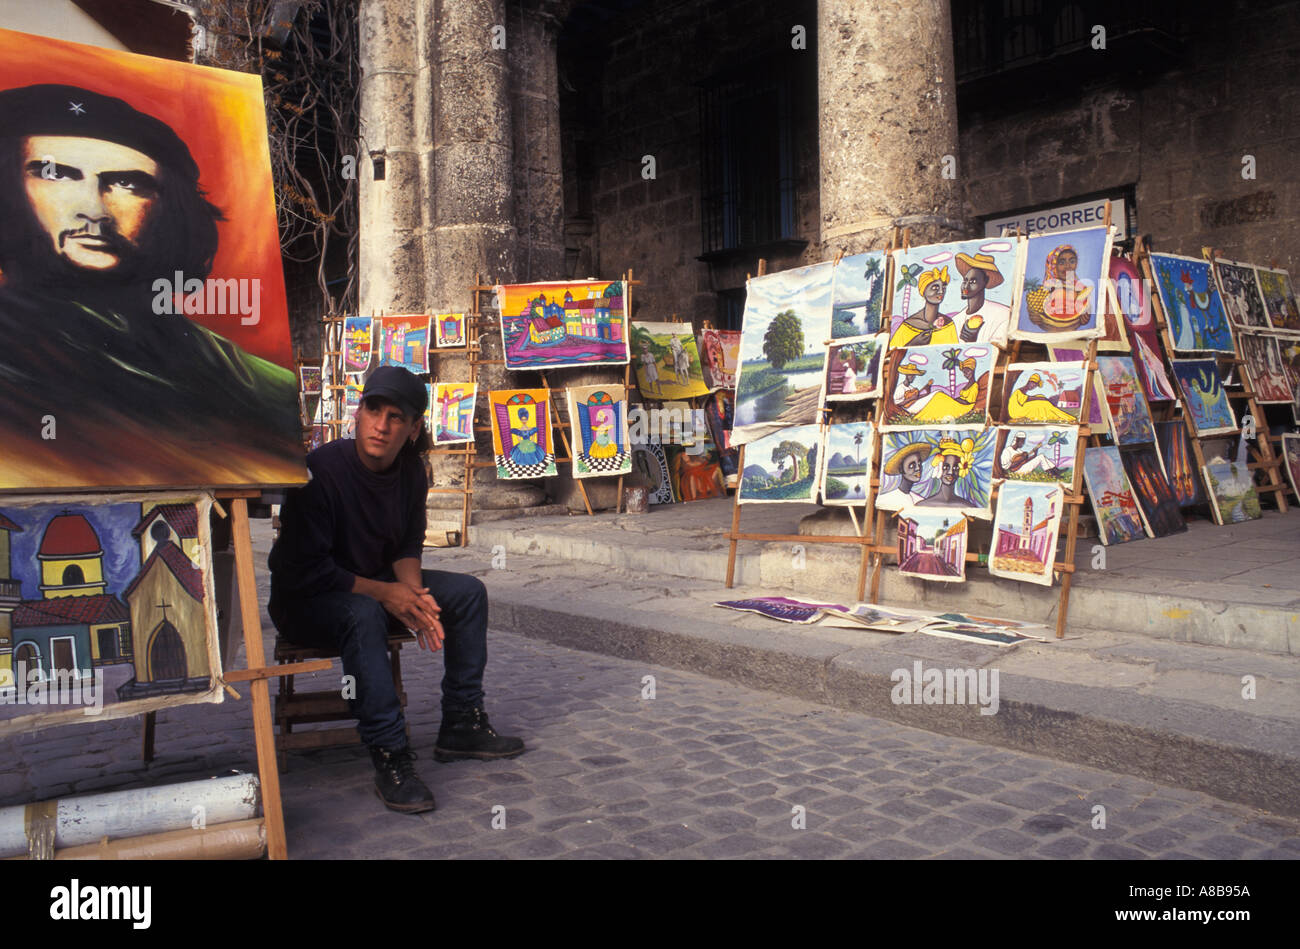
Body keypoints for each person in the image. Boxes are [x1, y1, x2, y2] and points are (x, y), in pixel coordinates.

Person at [0, 83, 302, 490]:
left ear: (168, 207)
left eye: (127, 184)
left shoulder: (234, 372)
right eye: (56, 174)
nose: (94, 210)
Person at [268, 367, 524, 813]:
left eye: (395, 417)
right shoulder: (321, 472)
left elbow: (406, 547)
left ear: (413, 428)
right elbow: (308, 570)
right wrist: (388, 596)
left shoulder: (410, 472)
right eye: (373, 410)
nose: (381, 426)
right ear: (358, 412)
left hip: (372, 588)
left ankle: (462, 723)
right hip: (307, 602)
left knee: (467, 593)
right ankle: (391, 755)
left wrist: (414, 598)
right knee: (361, 613)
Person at [890, 266, 958, 347]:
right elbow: (893, 355)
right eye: (935, 287)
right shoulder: (908, 325)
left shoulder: (948, 324)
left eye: (943, 287)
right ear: (923, 291)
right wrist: (913, 344)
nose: (941, 291)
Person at [954, 252, 1010, 343]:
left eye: (973, 281)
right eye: (965, 281)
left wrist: (973, 341)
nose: (966, 286)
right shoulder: (956, 320)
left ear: (985, 281)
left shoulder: (1003, 315)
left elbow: (998, 350)